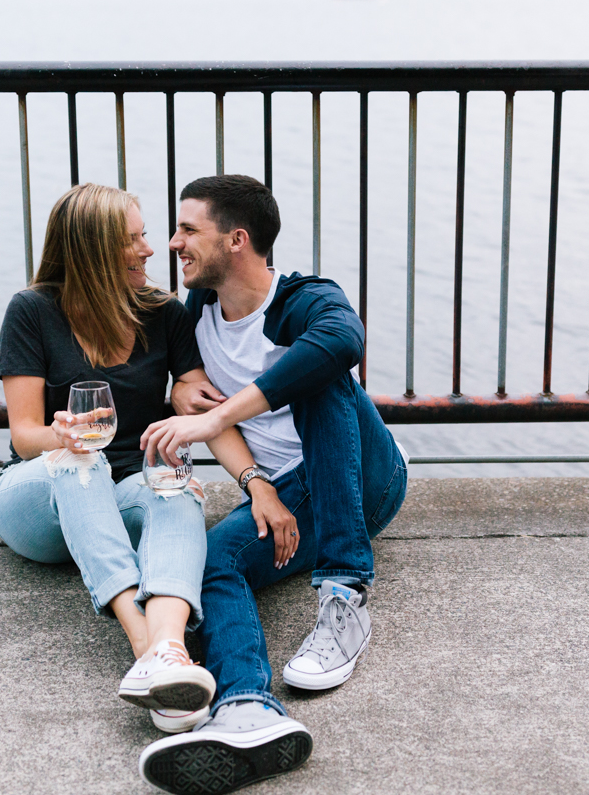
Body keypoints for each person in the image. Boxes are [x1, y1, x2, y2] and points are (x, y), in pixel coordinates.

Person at [136, 175, 408, 794]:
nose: (173, 243)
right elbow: (195, 394)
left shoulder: (305, 298)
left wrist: (215, 416)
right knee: (212, 560)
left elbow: (343, 341)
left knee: (320, 368)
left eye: (187, 230)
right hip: (287, 489)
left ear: (236, 239)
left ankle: (344, 594)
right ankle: (246, 708)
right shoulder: (197, 313)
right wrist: (256, 483)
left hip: (367, 474)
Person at [0, 183, 262, 734]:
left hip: (122, 493)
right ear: (92, 253)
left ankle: (168, 661)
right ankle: (144, 643)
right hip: (39, 498)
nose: (150, 248)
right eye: (133, 239)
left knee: (176, 480)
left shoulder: (164, 313)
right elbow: (22, 436)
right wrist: (60, 434)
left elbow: (193, 391)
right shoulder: (33, 310)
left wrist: (191, 396)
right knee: (79, 460)